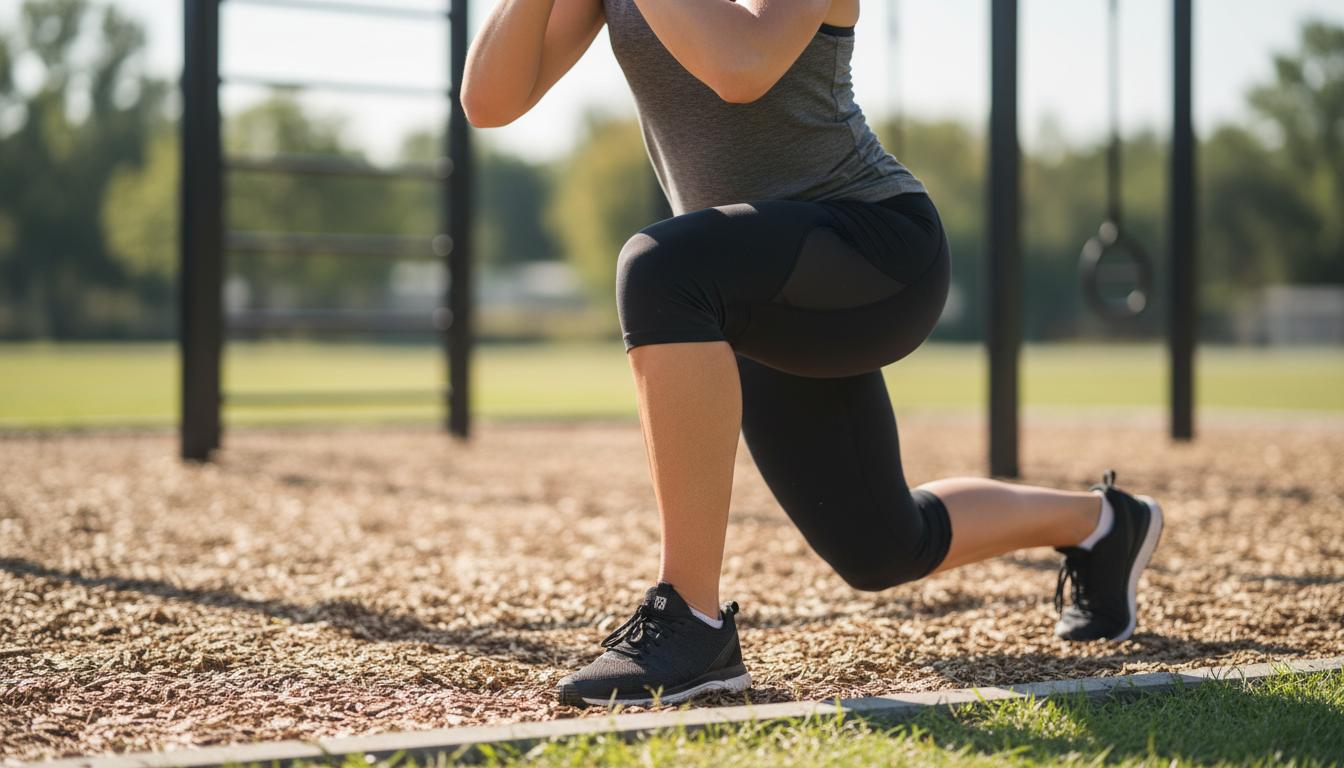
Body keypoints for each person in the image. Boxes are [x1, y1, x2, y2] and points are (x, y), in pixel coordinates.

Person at [461, 0, 1165, 708]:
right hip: (744, 287)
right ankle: (1102, 523)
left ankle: (692, 622)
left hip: (874, 250)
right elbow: (489, 101)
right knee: (880, 548)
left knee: (656, 267)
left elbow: (742, 66)